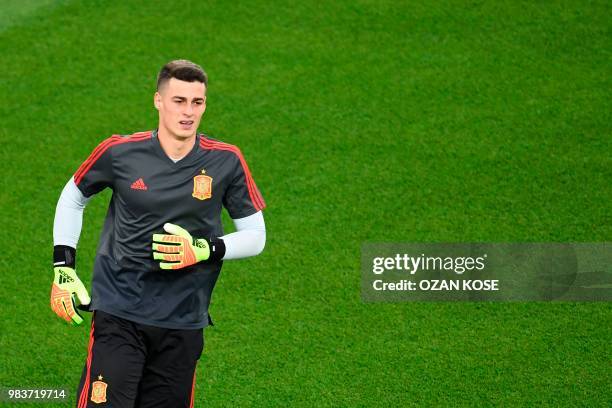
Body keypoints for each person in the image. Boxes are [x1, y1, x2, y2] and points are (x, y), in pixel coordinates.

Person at [50, 59, 266, 408]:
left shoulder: (226, 161)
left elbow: (256, 235)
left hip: (183, 318)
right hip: (119, 311)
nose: (189, 112)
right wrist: (63, 265)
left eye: (197, 102)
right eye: (179, 100)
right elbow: (73, 196)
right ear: (158, 101)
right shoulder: (120, 152)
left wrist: (202, 249)